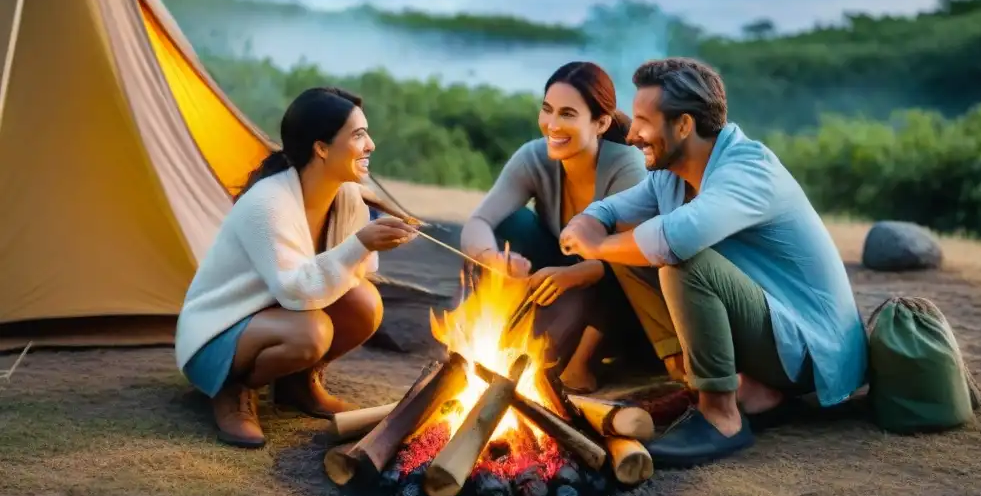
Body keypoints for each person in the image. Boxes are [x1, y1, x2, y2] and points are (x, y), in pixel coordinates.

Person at [559, 57, 868, 467]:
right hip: (773, 335)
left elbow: (675, 240)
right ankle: (753, 392)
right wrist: (590, 220)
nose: (630, 134)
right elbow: (618, 207)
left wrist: (596, 247)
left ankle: (720, 415)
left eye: (642, 121)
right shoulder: (672, 171)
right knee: (634, 248)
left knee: (683, 261)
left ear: (684, 125)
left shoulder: (749, 170)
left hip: (810, 348)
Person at [174, 87, 419, 448]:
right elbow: (294, 290)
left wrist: (374, 241)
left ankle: (297, 383)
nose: (371, 145)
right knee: (312, 331)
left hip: (280, 316)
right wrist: (361, 242)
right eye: (358, 135)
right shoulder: (268, 203)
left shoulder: (347, 196)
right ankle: (232, 390)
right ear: (321, 148)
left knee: (365, 302)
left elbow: (355, 273)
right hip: (219, 331)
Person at [460, 61, 684, 393]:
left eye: (567, 114)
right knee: (512, 223)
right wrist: (493, 257)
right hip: (564, 278)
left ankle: (581, 365)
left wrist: (575, 274)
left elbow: (638, 257)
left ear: (601, 122)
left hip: (624, 301)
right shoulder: (534, 158)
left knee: (622, 265)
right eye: (547, 110)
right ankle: (492, 334)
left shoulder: (625, 166)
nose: (552, 124)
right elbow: (478, 222)